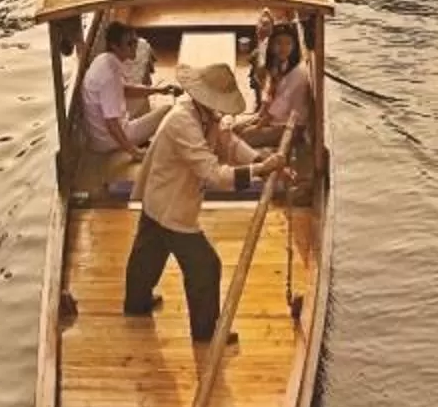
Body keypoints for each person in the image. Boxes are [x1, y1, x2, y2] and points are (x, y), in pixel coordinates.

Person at [126, 62, 284, 346]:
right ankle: (206, 332)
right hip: (171, 204)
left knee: (147, 253)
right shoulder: (181, 121)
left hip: (160, 199)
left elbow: (230, 143)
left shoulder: (207, 115)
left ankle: (137, 303)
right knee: (205, 266)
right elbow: (213, 174)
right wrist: (258, 172)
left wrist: (260, 161)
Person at [74, 20, 172, 176]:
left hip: (100, 130)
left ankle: (140, 135)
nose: (135, 46)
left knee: (143, 96)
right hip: (107, 140)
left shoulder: (105, 59)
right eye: (130, 43)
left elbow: (124, 90)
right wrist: (135, 152)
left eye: (135, 41)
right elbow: (111, 123)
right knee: (168, 110)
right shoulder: (109, 77)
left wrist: (158, 90)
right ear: (115, 46)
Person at [240, 20, 313, 145]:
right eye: (278, 43)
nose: (283, 48)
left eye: (288, 44)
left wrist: (258, 126)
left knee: (243, 137)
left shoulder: (297, 73)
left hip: (291, 126)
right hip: (276, 118)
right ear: (272, 45)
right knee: (235, 129)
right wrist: (258, 117)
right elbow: (270, 93)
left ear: (294, 46)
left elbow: (279, 106)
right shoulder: (280, 64)